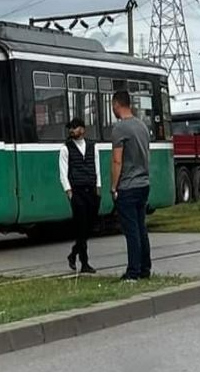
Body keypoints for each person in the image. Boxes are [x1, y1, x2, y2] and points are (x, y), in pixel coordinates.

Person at [110, 91, 151, 282]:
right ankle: (145, 268)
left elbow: (117, 161)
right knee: (141, 228)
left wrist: (113, 186)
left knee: (131, 231)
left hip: (127, 185)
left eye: (113, 106)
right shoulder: (142, 126)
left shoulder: (120, 129)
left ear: (117, 104)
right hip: (144, 183)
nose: (113, 109)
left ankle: (132, 272)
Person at [59, 118, 100, 274]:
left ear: (83, 129)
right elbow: (63, 172)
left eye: (75, 128)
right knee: (81, 225)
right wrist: (69, 192)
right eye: (70, 128)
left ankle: (73, 253)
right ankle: (85, 262)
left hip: (91, 189)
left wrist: (98, 187)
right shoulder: (65, 149)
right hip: (77, 191)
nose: (72, 130)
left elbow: (97, 168)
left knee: (90, 227)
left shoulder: (92, 147)